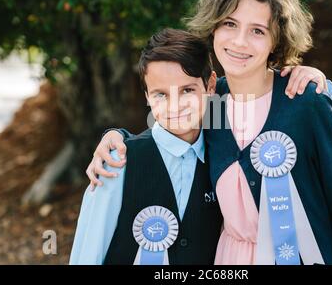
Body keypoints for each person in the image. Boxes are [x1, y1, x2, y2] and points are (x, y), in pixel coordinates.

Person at [86, 0, 332, 264]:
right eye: (230, 24)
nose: (239, 41)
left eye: (258, 31)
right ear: (213, 27)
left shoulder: (305, 103)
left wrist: (325, 89)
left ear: (277, 40)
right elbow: (166, 128)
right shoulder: (212, 102)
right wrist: (117, 137)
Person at [70, 29, 223, 265]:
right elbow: (88, 253)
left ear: (210, 86)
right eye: (161, 94)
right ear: (147, 96)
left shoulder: (223, 155)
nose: (175, 106)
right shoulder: (117, 162)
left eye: (187, 90)